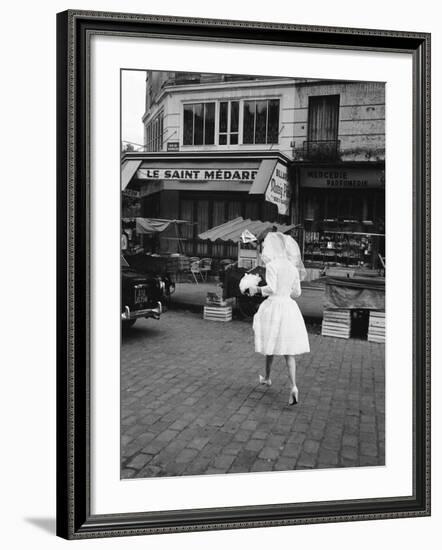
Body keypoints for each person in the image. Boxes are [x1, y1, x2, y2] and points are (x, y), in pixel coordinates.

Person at [251, 232, 310, 405]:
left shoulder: (272, 266)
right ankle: (293, 387)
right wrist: (286, 292)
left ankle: (268, 378)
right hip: (289, 307)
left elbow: (271, 288)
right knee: (288, 351)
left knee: (271, 344)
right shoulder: (292, 268)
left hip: (274, 307)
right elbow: (297, 293)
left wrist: (257, 290)